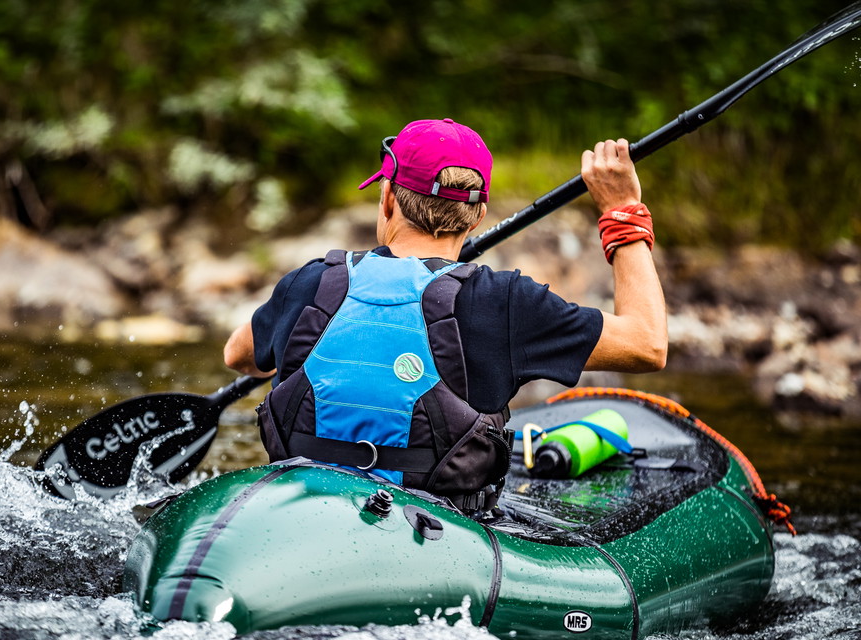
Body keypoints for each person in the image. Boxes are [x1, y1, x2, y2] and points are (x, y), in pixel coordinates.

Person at [224, 118, 666, 513]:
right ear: (476, 218)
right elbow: (647, 343)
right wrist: (620, 211)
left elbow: (239, 356)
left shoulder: (310, 282)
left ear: (388, 200)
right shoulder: (506, 301)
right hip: (437, 538)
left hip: (298, 514)